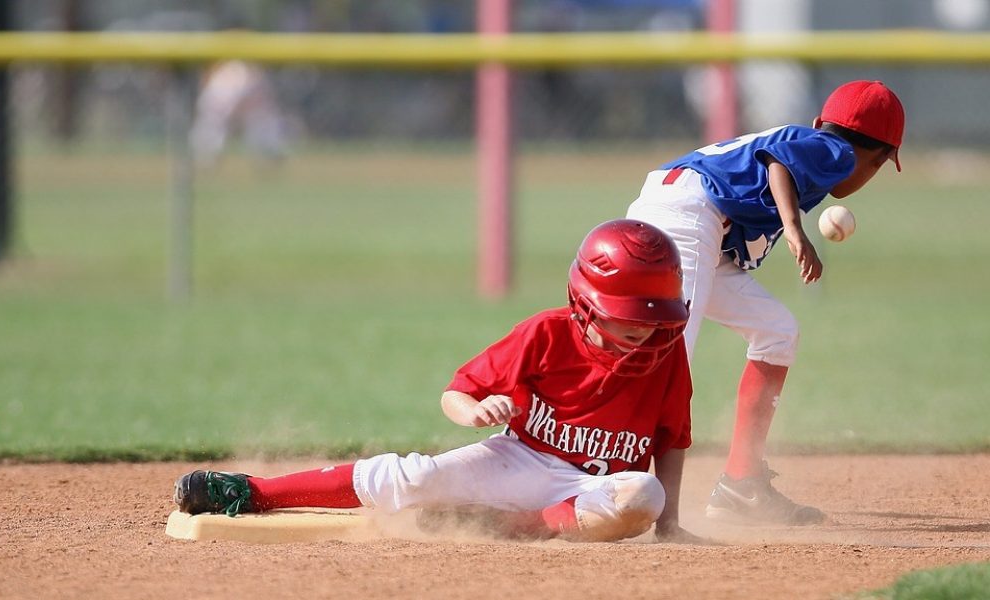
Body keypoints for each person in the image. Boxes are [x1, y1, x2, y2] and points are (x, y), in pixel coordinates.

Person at [174, 219, 700, 542]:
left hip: (594, 488)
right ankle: (252, 491)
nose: (644, 329)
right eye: (627, 317)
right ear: (584, 304)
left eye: (655, 317)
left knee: (642, 495)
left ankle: (514, 528)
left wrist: (670, 521)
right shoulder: (546, 333)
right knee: (412, 477)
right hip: (521, 459)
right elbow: (457, 393)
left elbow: (670, 440)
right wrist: (474, 412)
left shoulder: (668, 354)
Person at [625, 80, 905, 525]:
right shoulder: (838, 152)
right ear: (879, 156)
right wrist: (795, 230)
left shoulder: (811, 140)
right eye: (879, 165)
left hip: (689, 216)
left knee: (776, 331)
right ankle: (609, 480)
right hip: (687, 216)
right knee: (671, 362)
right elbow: (779, 165)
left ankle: (741, 485)